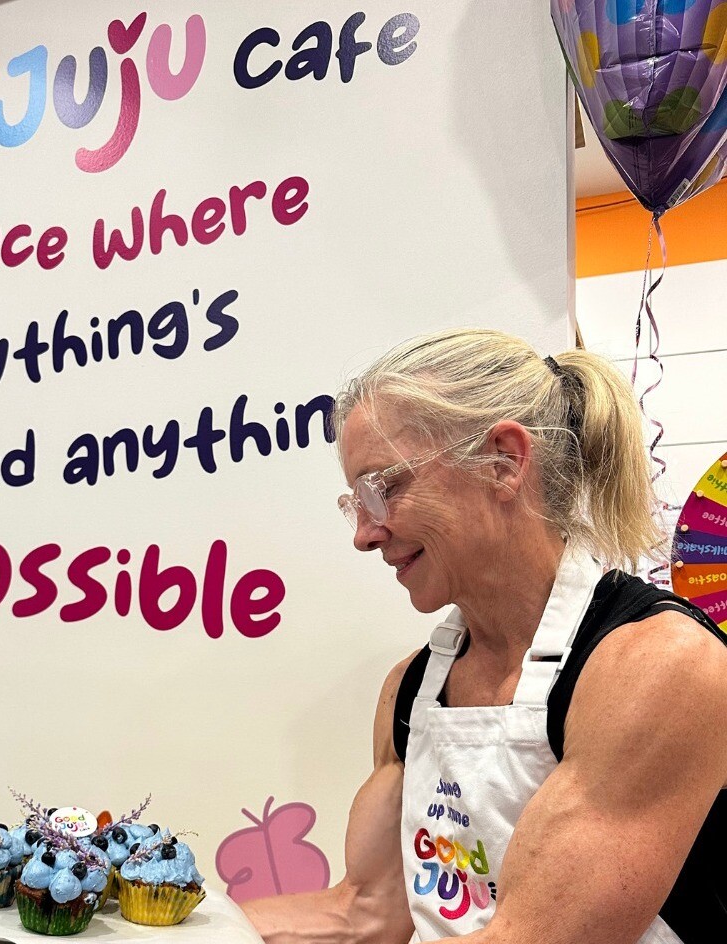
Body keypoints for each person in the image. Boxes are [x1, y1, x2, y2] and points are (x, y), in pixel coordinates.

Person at [241, 329, 726, 944]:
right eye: (354, 502)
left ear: (503, 460)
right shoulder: (412, 690)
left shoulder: (659, 666)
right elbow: (364, 912)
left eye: (382, 489)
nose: (364, 534)